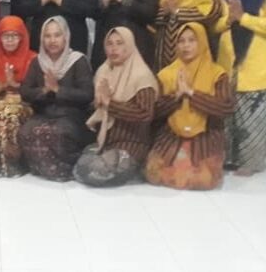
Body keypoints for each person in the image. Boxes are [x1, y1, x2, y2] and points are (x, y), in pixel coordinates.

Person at [145, 23, 234, 190]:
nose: (186, 46)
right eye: (181, 41)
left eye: (192, 40)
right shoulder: (166, 74)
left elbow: (226, 108)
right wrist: (176, 97)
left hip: (206, 134)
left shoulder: (217, 73)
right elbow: (154, 111)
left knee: (203, 179)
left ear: (202, 42)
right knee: (154, 172)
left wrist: (192, 93)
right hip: (173, 134)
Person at [73, 27, 157, 187]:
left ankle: (133, 167)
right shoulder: (103, 71)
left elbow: (145, 114)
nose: (114, 48)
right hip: (106, 142)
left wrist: (110, 104)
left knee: (97, 171)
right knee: (81, 169)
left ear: (130, 45)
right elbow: (97, 108)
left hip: (132, 142)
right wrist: (98, 103)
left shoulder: (142, 76)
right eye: (110, 44)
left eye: (119, 43)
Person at [18, 16, 94, 181]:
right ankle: (41, 167)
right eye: (48, 36)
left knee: (56, 133)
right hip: (44, 114)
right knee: (26, 131)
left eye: (57, 35)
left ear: (65, 37)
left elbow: (87, 94)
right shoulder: (38, 62)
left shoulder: (77, 60)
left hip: (71, 116)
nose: (52, 40)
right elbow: (25, 91)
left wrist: (58, 90)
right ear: (42, 38)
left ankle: (66, 169)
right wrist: (44, 90)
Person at [215, 0, 266, 176]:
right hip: (228, 62)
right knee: (228, 114)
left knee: (252, 118)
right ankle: (228, 158)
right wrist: (228, 20)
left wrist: (243, 18)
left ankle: (251, 161)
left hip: (256, 66)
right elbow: (213, 25)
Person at [0, 15, 36, 177]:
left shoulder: (32, 59)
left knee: (10, 115)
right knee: (4, 113)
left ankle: (10, 162)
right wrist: (3, 86)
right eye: (5, 36)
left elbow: (36, 92)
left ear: (22, 37)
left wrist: (15, 86)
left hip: (26, 105)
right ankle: (6, 163)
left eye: (14, 35)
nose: (9, 40)